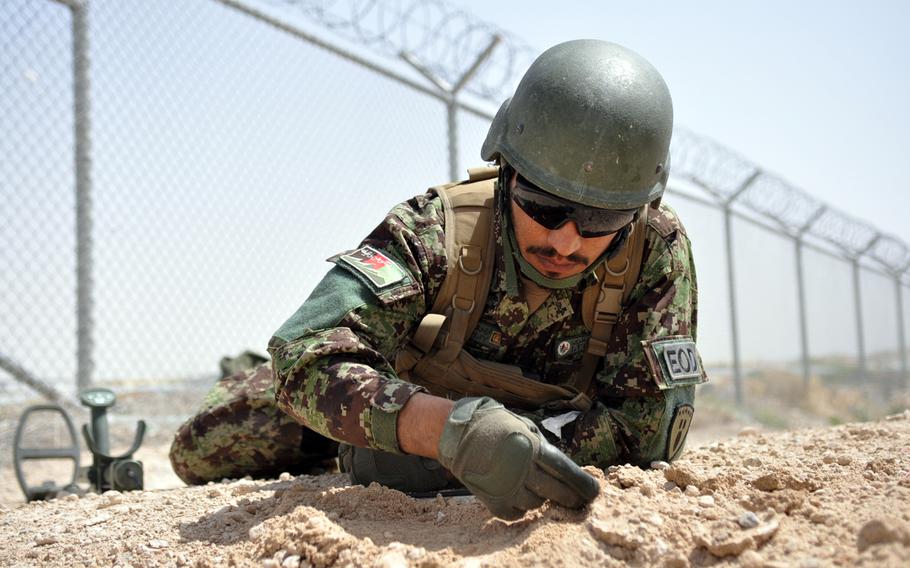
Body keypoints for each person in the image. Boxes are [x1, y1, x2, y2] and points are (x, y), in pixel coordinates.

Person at [169, 39, 705, 520]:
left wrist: (521, 444)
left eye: (601, 222)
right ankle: (247, 378)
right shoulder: (435, 230)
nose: (565, 242)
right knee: (203, 448)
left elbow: (647, 428)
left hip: (533, 421)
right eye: (543, 207)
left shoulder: (653, 250)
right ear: (506, 171)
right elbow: (305, 356)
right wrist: (439, 431)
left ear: (638, 209)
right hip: (402, 387)